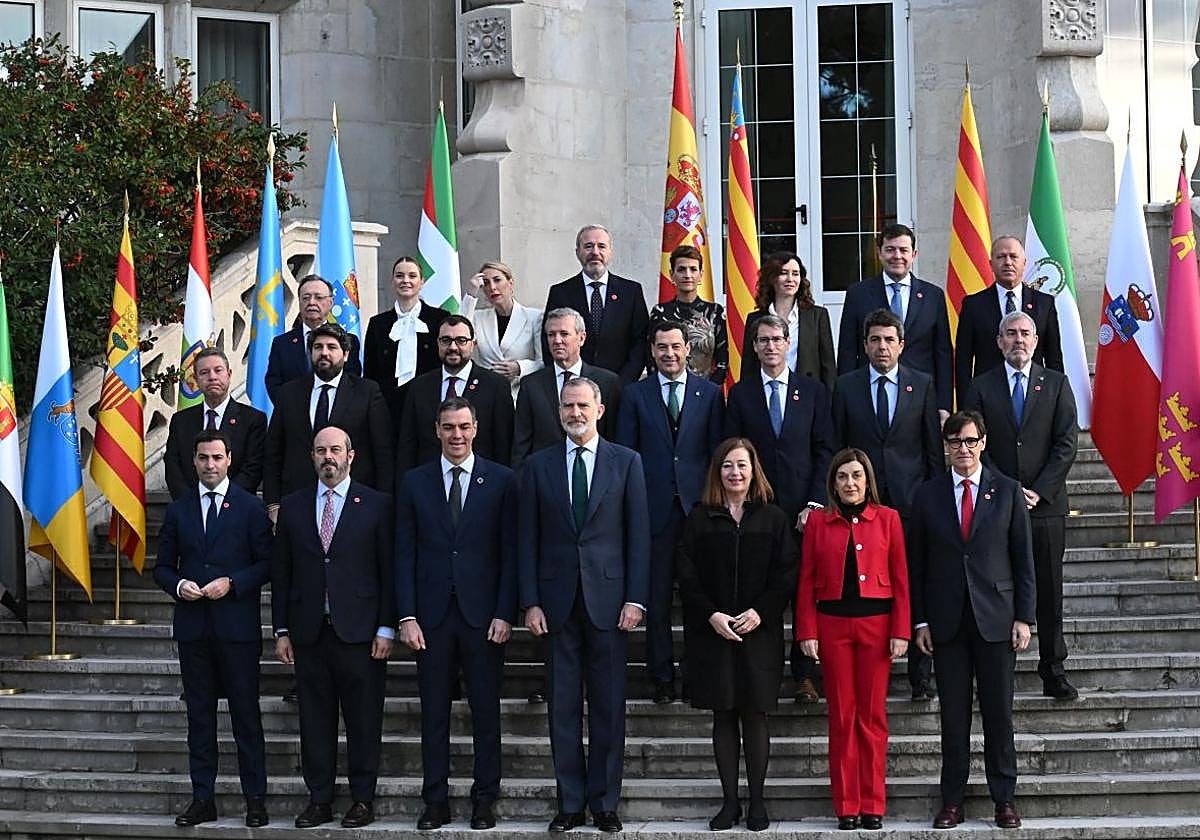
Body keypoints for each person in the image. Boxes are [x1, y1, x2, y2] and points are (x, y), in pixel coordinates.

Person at [518, 377, 650, 833]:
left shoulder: (627, 462)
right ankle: (570, 803)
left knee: (610, 706)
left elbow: (638, 535)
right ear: (559, 412)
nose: (575, 413)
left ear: (599, 410)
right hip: (556, 605)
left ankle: (604, 803)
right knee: (563, 708)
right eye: (568, 406)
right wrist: (530, 601)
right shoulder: (538, 466)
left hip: (611, 604)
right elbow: (527, 539)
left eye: (583, 405)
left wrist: (636, 598)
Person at [908, 411, 1035, 830]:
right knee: (953, 717)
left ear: (983, 443)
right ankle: (953, 800)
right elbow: (918, 565)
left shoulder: (1008, 491)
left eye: (969, 441)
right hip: (946, 622)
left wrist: (1024, 617)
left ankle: (1004, 799)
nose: (962, 449)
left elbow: (1023, 561)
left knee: (999, 714)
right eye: (954, 442)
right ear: (945, 446)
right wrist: (920, 621)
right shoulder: (927, 495)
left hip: (996, 620)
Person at [395, 397, 517, 831]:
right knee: (434, 715)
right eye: (449, 427)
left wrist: (506, 612)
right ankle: (436, 801)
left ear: (476, 428)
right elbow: (403, 552)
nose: (457, 435)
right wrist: (406, 616)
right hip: (430, 619)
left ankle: (484, 799)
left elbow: (510, 554)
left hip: (484, 617)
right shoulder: (414, 482)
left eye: (464, 426)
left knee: (486, 713)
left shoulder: (501, 481)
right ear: (437, 430)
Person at [271, 425, 397, 829]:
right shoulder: (292, 507)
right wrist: (281, 630)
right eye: (321, 450)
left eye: (336, 450)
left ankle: (362, 799)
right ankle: (319, 798)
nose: (329, 457)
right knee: (315, 722)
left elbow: (388, 572)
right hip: (309, 633)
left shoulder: (376, 505)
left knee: (363, 721)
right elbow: (282, 573)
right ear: (312, 456)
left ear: (351, 455)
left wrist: (387, 627)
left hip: (361, 634)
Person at [675, 438, 797, 832]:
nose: (735, 473)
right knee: (723, 715)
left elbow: (787, 574)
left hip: (758, 632)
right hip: (712, 632)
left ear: (753, 469)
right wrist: (711, 614)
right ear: (718, 471)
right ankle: (730, 803)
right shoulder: (699, 518)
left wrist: (761, 611)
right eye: (728, 466)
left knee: (755, 715)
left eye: (742, 465)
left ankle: (758, 802)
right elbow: (686, 573)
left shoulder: (774, 518)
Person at [153, 429, 272, 828]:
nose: (209, 465)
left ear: (229, 460)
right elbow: (162, 567)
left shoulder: (250, 508)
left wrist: (233, 583)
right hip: (193, 631)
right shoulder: (179, 510)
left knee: (246, 718)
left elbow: (267, 564)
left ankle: (255, 799)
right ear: (194, 462)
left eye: (216, 458)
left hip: (236, 629)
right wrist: (178, 585)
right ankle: (203, 798)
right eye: (202, 458)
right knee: (200, 720)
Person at [962, 310, 1079, 700]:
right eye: (1010, 333)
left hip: (1045, 507)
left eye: (1025, 333)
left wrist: (1040, 490)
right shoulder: (980, 387)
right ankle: (999, 673)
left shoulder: (1058, 384)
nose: (1018, 340)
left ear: (1036, 340)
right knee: (999, 586)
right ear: (999, 342)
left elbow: (1066, 442)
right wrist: (1009, 489)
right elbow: (977, 443)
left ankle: (1053, 668)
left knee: (1049, 588)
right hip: (996, 505)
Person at [796, 449, 910, 831]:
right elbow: (807, 580)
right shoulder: (817, 523)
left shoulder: (889, 519)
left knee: (872, 717)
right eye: (843, 477)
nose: (850, 483)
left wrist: (901, 630)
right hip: (833, 628)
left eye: (857, 476)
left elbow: (901, 581)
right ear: (833, 483)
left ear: (868, 480)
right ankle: (847, 805)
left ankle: (873, 803)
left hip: (877, 627)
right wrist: (807, 630)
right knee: (842, 717)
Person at [830, 308, 941, 700]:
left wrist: (932, 499)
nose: (881, 346)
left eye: (888, 340)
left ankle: (920, 674)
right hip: (861, 507)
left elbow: (931, 450)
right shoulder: (846, 387)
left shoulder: (922, 385)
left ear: (901, 345)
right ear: (864, 345)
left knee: (913, 582)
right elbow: (839, 448)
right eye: (874, 340)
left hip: (911, 503)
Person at [614, 320, 725, 704]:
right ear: (652, 351)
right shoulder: (634, 395)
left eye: (676, 347)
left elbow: (716, 456)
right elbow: (627, 456)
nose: (670, 354)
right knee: (657, 600)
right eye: (662, 347)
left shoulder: (709, 394)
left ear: (688, 349)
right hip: (652, 510)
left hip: (697, 511)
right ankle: (661, 676)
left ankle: (695, 675)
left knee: (698, 597)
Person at [726, 313, 834, 703]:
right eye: (762, 340)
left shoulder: (814, 391)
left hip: (804, 512)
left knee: (806, 593)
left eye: (777, 339)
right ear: (753, 347)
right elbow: (734, 452)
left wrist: (813, 503)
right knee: (763, 592)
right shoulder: (740, 394)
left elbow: (825, 449)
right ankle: (765, 675)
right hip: (758, 512)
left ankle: (805, 676)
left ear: (789, 343)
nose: (770, 346)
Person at [263, 323, 393, 522]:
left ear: (346, 354)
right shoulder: (289, 393)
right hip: (298, 504)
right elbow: (273, 452)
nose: (324, 353)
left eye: (331, 347)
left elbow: (383, 452)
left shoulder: (367, 392)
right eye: (318, 347)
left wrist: (383, 504)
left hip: (354, 506)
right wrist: (273, 504)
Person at [837, 224, 953, 419]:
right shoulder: (858, 294)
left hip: (920, 397)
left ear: (914, 254)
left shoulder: (933, 296)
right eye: (890, 249)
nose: (897, 256)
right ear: (879, 253)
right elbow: (848, 350)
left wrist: (944, 405)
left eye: (903, 250)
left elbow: (942, 353)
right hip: (871, 394)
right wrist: (844, 400)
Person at [395, 315, 514, 473]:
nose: (453, 347)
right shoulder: (419, 386)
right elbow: (407, 446)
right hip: (429, 484)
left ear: (473, 344)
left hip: (481, 484)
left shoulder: (496, 386)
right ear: (437, 343)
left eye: (461, 340)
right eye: (446, 340)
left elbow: (504, 445)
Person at [954, 236, 1064, 400]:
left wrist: (1055, 400)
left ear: (1024, 262)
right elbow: (963, 361)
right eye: (1001, 257)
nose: (1007, 262)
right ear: (991, 264)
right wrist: (966, 408)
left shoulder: (1044, 303)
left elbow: (1053, 358)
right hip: (987, 397)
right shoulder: (973, 305)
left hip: (1034, 397)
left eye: (1013, 256)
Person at [512, 308, 621, 470]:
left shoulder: (607, 382)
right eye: (551, 335)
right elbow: (521, 445)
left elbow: (614, 438)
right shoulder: (531, 385)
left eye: (564, 334)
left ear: (581, 338)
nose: (557, 340)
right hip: (544, 479)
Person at [541, 225, 649, 384]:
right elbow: (548, 341)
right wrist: (568, 381)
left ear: (610, 252)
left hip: (620, 387)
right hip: (573, 389)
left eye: (601, 246)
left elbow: (640, 343)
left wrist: (622, 383)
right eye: (588, 246)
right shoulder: (560, 292)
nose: (595, 252)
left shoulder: (631, 292)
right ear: (578, 252)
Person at [164, 347, 266, 499]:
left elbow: (253, 468)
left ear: (229, 374)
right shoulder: (181, 421)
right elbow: (173, 467)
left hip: (236, 508)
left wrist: (222, 501)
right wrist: (193, 504)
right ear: (196, 380)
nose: (212, 377)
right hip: (190, 510)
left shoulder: (253, 419)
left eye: (218, 370)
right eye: (204, 373)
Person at [363, 256, 451, 426]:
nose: (406, 281)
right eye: (399, 276)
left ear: (422, 282)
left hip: (430, 406)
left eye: (412, 276)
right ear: (392, 281)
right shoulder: (378, 323)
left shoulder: (439, 319)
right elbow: (370, 372)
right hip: (387, 409)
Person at [740, 253, 835, 392]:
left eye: (795, 274)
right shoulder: (755, 319)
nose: (790, 279)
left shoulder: (818, 316)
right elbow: (748, 368)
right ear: (772, 278)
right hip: (766, 395)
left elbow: (828, 367)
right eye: (784, 273)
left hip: (808, 396)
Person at [264, 274, 362, 402]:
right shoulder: (281, 343)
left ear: (331, 302)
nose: (311, 302)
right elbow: (274, 383)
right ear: (299, 302)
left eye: (318, 297)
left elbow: (352, 381)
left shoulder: (348, 341)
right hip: (293, 417)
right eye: (306, 297)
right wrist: (292, 410)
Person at [461, 260, 544, 403]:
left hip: (521, 395)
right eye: (486, 283)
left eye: (497, 280)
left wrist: (519, 367)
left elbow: (543, 361)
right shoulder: (478, 317)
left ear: (510, 283)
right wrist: (472, 293)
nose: (492, 287)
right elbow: (460, 331)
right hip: (486, 395)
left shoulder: (534, 317)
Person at [647, 245, 728, 385]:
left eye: (693, 269)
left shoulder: (715, 312)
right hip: (668, 389)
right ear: (672, 275)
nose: (687, 275)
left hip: (706, 392)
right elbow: (651, 357)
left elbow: (723, 360)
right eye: (681, 269)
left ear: (701, 275)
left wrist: (709, 390)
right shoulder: (660, 312)